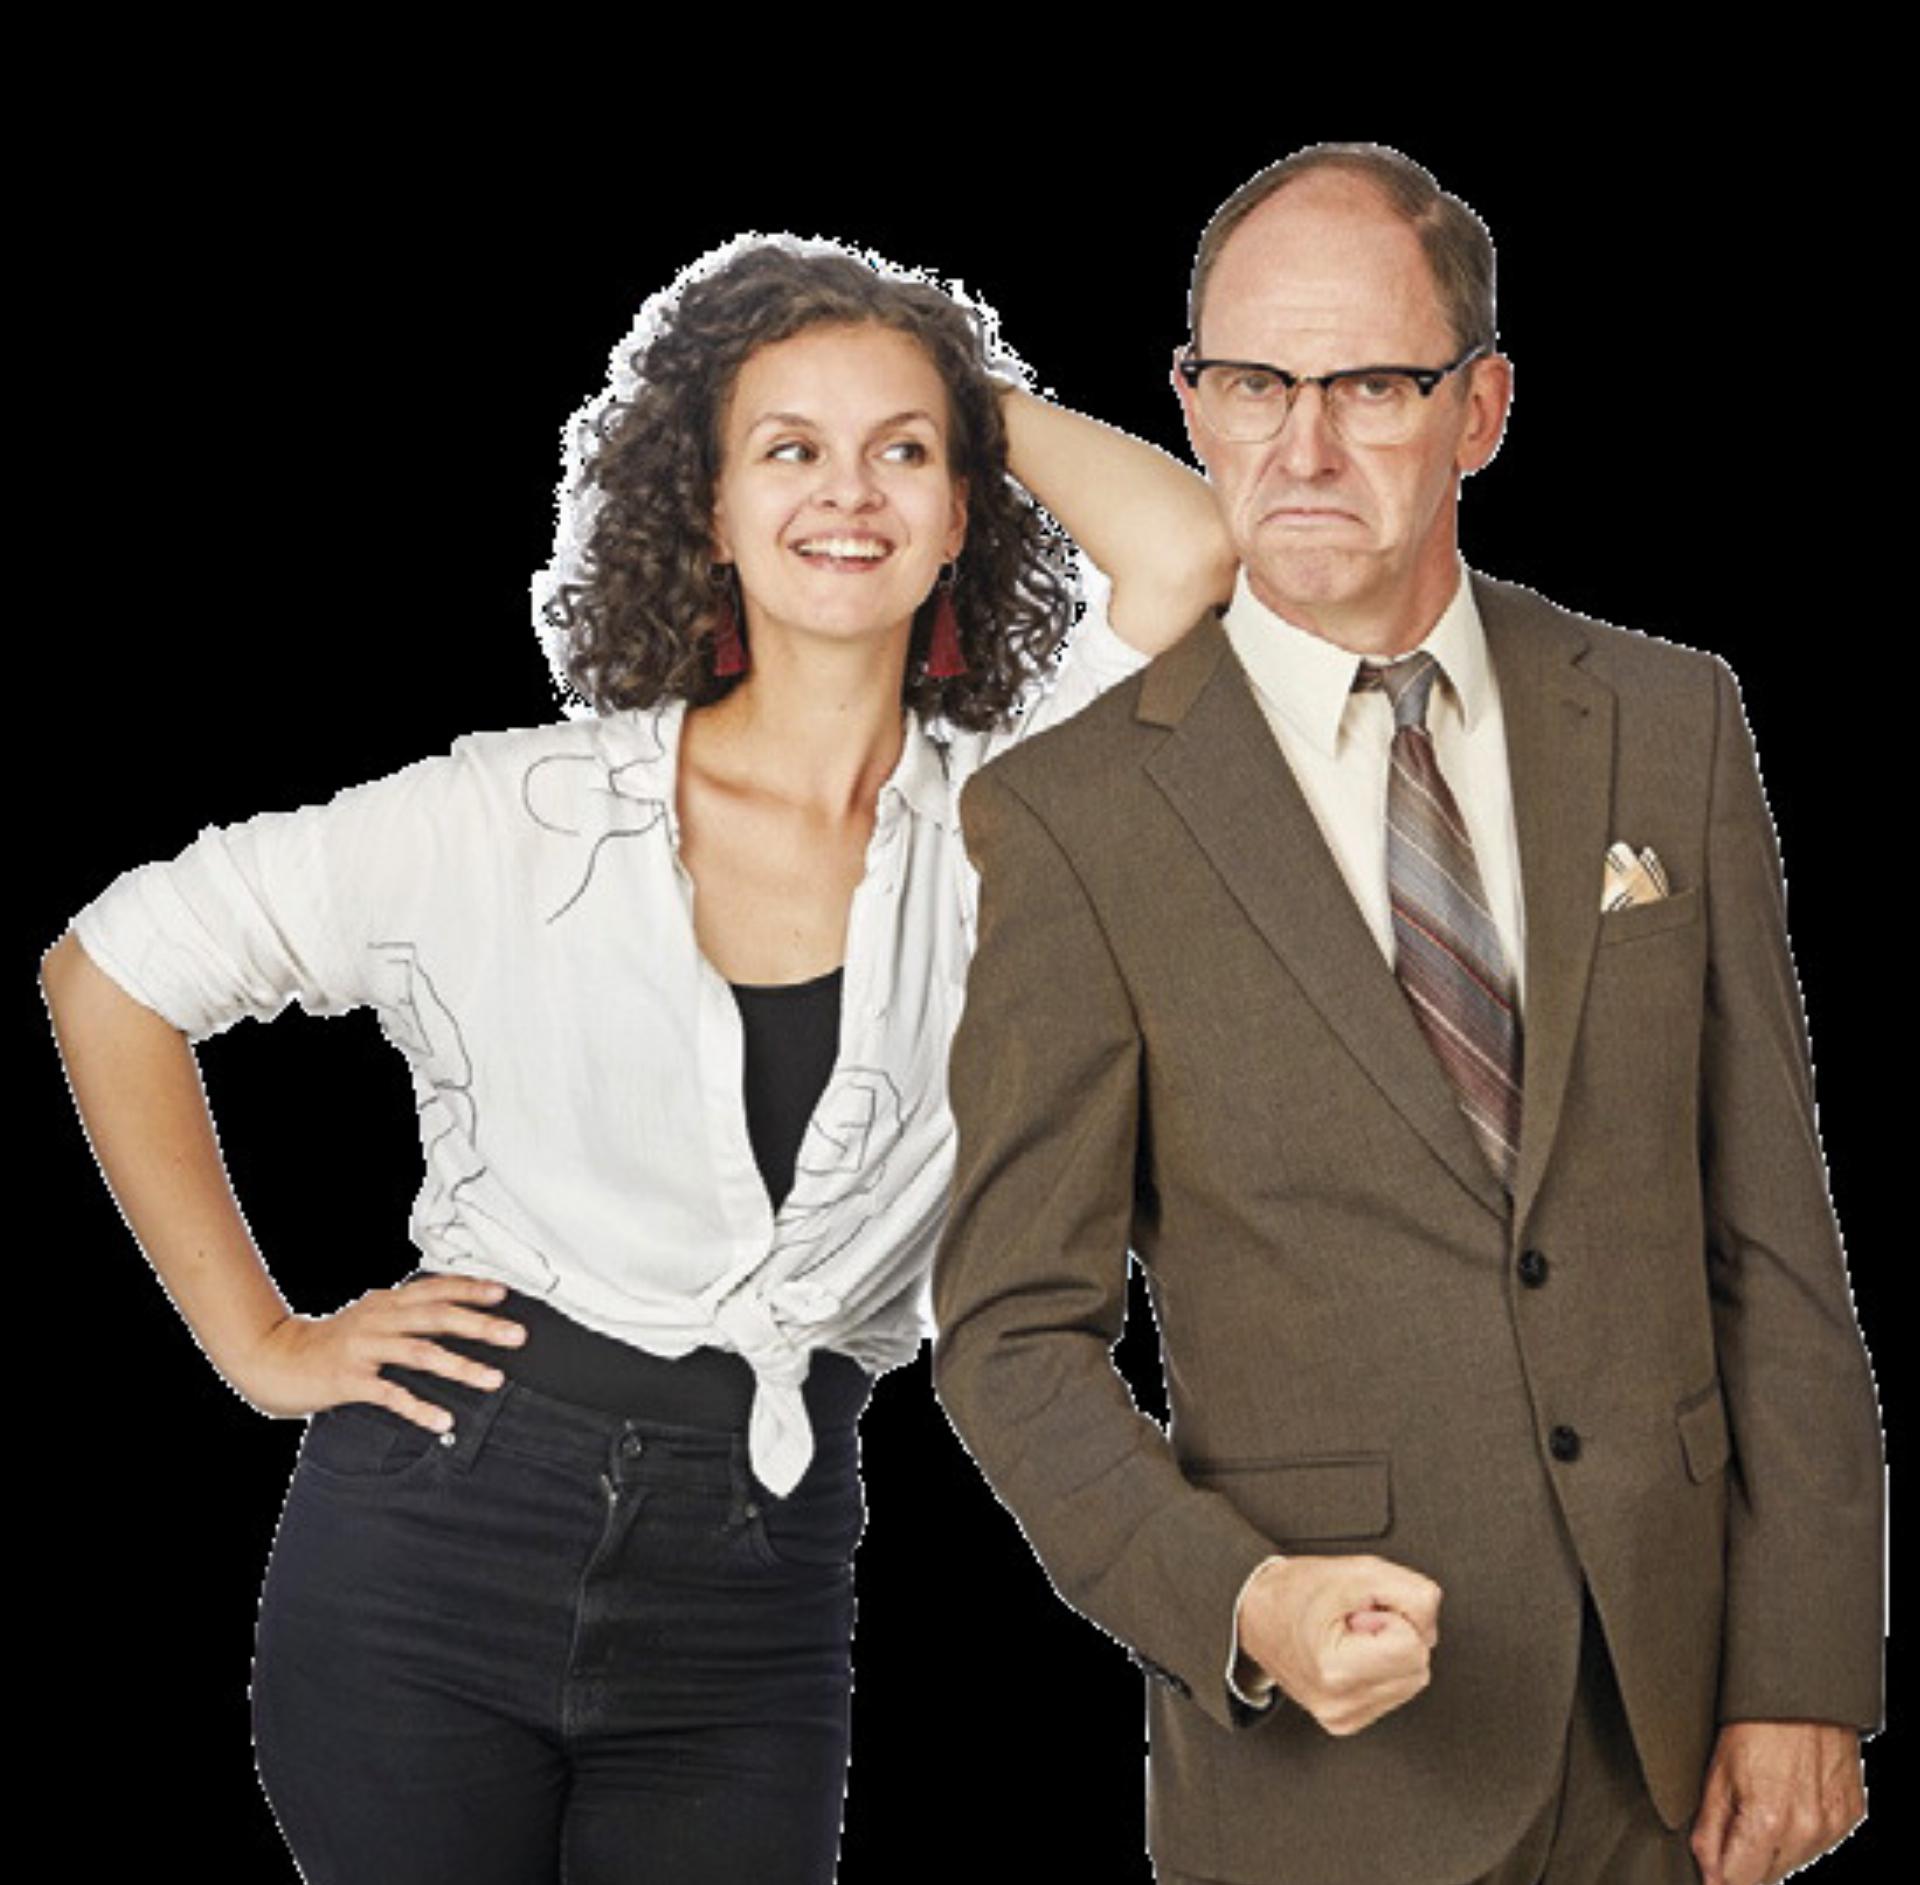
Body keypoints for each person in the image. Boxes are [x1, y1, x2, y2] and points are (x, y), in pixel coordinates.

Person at [39, 236, 1229, 1885]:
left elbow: (1190, 547)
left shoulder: (1022, 815)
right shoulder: (513, 816)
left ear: (964, 511)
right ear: (711, 509)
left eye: (900, 454)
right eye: (787, 449)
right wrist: (256, 1340)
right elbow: (111, 970)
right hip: (438, 1539)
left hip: (756, 1580)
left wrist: (946, 378)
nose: (849, 491)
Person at [932, 144, 1884, 1885]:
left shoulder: (1668, 720)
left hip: (1675, 1743)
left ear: (1481, 410)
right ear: (1192, 405)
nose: (1301, 446)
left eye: (1370, 385)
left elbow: (1772, 1234)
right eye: (1252, 385)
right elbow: (1010, 1331)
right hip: (1332, 1765)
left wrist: (1804, 1662)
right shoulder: (1073, 820)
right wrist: (1236, 1601)